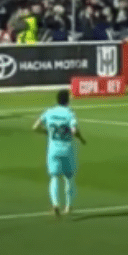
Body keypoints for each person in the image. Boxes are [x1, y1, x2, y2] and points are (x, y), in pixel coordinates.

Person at [33, 89, 86, 217]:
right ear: (68, 100)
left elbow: (35, 127)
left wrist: (47, 132)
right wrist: (81, 138)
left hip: (53, 149)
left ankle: (55, 204)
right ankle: (68, 206)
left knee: (54, 177)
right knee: (69, 177)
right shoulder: (69, 113)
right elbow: (74, 130)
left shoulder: (49, 112)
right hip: (67, 149)